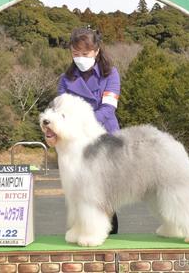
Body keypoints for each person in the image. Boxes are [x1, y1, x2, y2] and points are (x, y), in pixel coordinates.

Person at [57, 26, 120, 234]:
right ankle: (81, 228)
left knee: (103, 191)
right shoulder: (65, 79)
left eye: (85, 53)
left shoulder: (110, 74)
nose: (80, 57)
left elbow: (108, 109)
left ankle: (108, 232)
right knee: (78, 189)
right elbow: (60, 112)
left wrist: (82, 125)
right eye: (76, 54)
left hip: (104, 137)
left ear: (96, 51)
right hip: (74, 142)